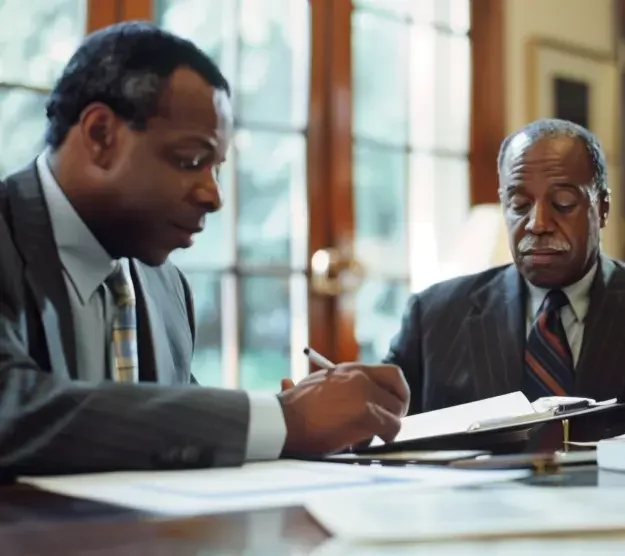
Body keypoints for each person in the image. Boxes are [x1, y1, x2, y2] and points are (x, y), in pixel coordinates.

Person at [0, 22, 408, 476]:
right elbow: (11, 409)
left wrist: (309, 427)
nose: (214, 196)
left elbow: (172, 432)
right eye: (191, 160)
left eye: (217, 168)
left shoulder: (166, 286)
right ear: (100, 135)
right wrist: (286, 420)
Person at [385, 118, 625, 437]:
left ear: (602, 209)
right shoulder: (432, 316)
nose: (537, 223)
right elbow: (375, 427)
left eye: (564, 203)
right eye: (519, 204)